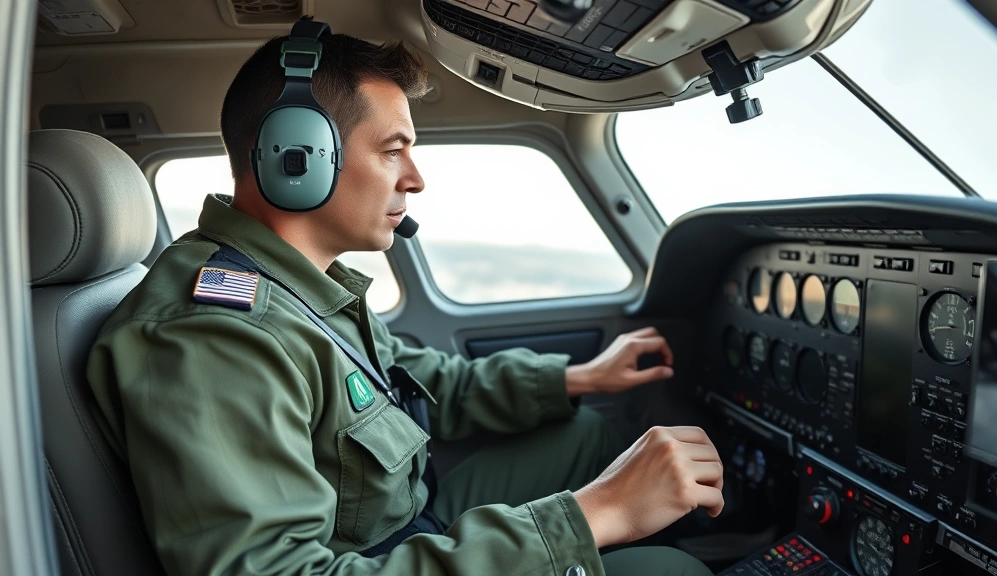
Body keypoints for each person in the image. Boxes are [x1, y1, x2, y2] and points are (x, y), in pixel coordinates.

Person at [86, 24, 725, 576]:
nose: (415, 179)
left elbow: (424, 382)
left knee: (581, 431)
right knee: (674, 572)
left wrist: (579, 377)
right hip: (370, 556)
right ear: (297, 158)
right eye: (393, 150)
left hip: (406, 525)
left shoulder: (303, 289)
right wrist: (596, 514)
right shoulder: (216, 336)